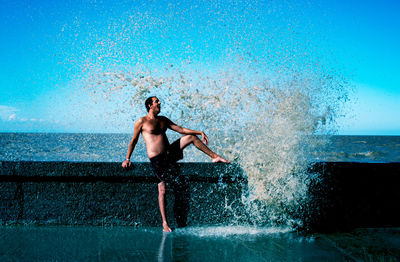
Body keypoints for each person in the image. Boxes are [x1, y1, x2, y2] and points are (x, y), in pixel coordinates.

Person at [122, 96, 230, 232]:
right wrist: (127, 158)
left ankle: (215, 157)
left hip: (169, 154)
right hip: (157, 160)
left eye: (159, 101)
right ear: (149, 105)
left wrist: (199, 131)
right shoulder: (141, 122)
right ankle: (165, 223)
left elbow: (180, 130)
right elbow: (134, 140)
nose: (159, 103)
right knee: (162, 190)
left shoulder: (163, 120)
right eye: (156, 102)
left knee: (191, 137)